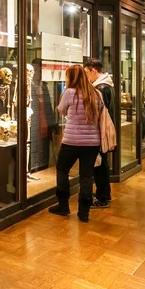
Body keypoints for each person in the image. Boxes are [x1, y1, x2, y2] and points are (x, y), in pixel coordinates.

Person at [49, 65, 102, 222]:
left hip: (71, 141)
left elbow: (61, 110)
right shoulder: (96, 93)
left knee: (62, 170)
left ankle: (63, 205)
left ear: (71, 78)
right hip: (92, 142)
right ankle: (84, 213)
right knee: (86, 176)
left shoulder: (69, 93)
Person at [84, 59, 113, 208]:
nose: (87, 76)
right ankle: (104, 193)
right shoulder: (106, 85)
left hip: (99, 131)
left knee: (99, 164)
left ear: (93, 71)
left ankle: (102, 197)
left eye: (87, 72)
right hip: (103, 130)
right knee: (102, 163)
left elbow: (98, 112)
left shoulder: (100, 88)